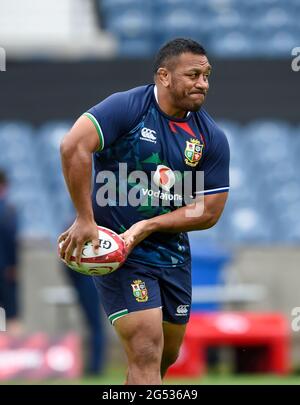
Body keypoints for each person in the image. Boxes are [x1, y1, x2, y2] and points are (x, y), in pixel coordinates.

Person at [58, 38, 230, 385]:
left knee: (163, 358)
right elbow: (73, 146)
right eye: (193, 75)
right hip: (121, 253)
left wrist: (149, 225)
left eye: (207, 75)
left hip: (172, 255)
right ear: (164, 76)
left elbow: (209, 211)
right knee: (146, 351)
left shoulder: (210, 136)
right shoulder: (127, 108)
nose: (203, 83)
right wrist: (85, 219)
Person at [0, 169, 22, 336]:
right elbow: (11, 240)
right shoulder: (7, 211)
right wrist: (14, 265)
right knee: (12, 314)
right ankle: (12, 353)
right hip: (5, 269)